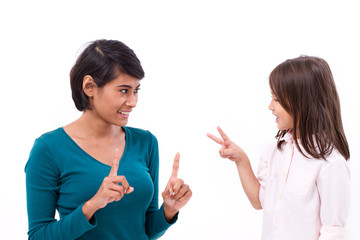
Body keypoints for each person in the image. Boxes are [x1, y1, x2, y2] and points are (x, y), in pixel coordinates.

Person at [25, 39, 192, 240]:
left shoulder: (146, 143)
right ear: (89, 87)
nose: (133, 102)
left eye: (136, 90)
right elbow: (37, 236)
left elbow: (146, 230)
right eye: (123, 90)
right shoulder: (49, 149)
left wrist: (169, 210)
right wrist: (93, 204)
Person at [207, 56, 350, 240]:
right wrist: (241, 159)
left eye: (277, 99)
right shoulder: (275, 151)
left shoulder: (330, 163)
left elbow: (333, 231)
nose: (270, 106)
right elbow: (259, 201)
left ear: (303, 102)